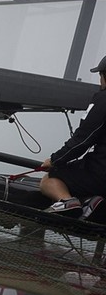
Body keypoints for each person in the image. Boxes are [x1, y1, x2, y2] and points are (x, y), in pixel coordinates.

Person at [39, 55, 106, 217]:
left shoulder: (103, 100)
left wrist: (55, 160)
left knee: (48, 180)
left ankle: (67, 202)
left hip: (101, 173)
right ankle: (93, 202)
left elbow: (82, 139)